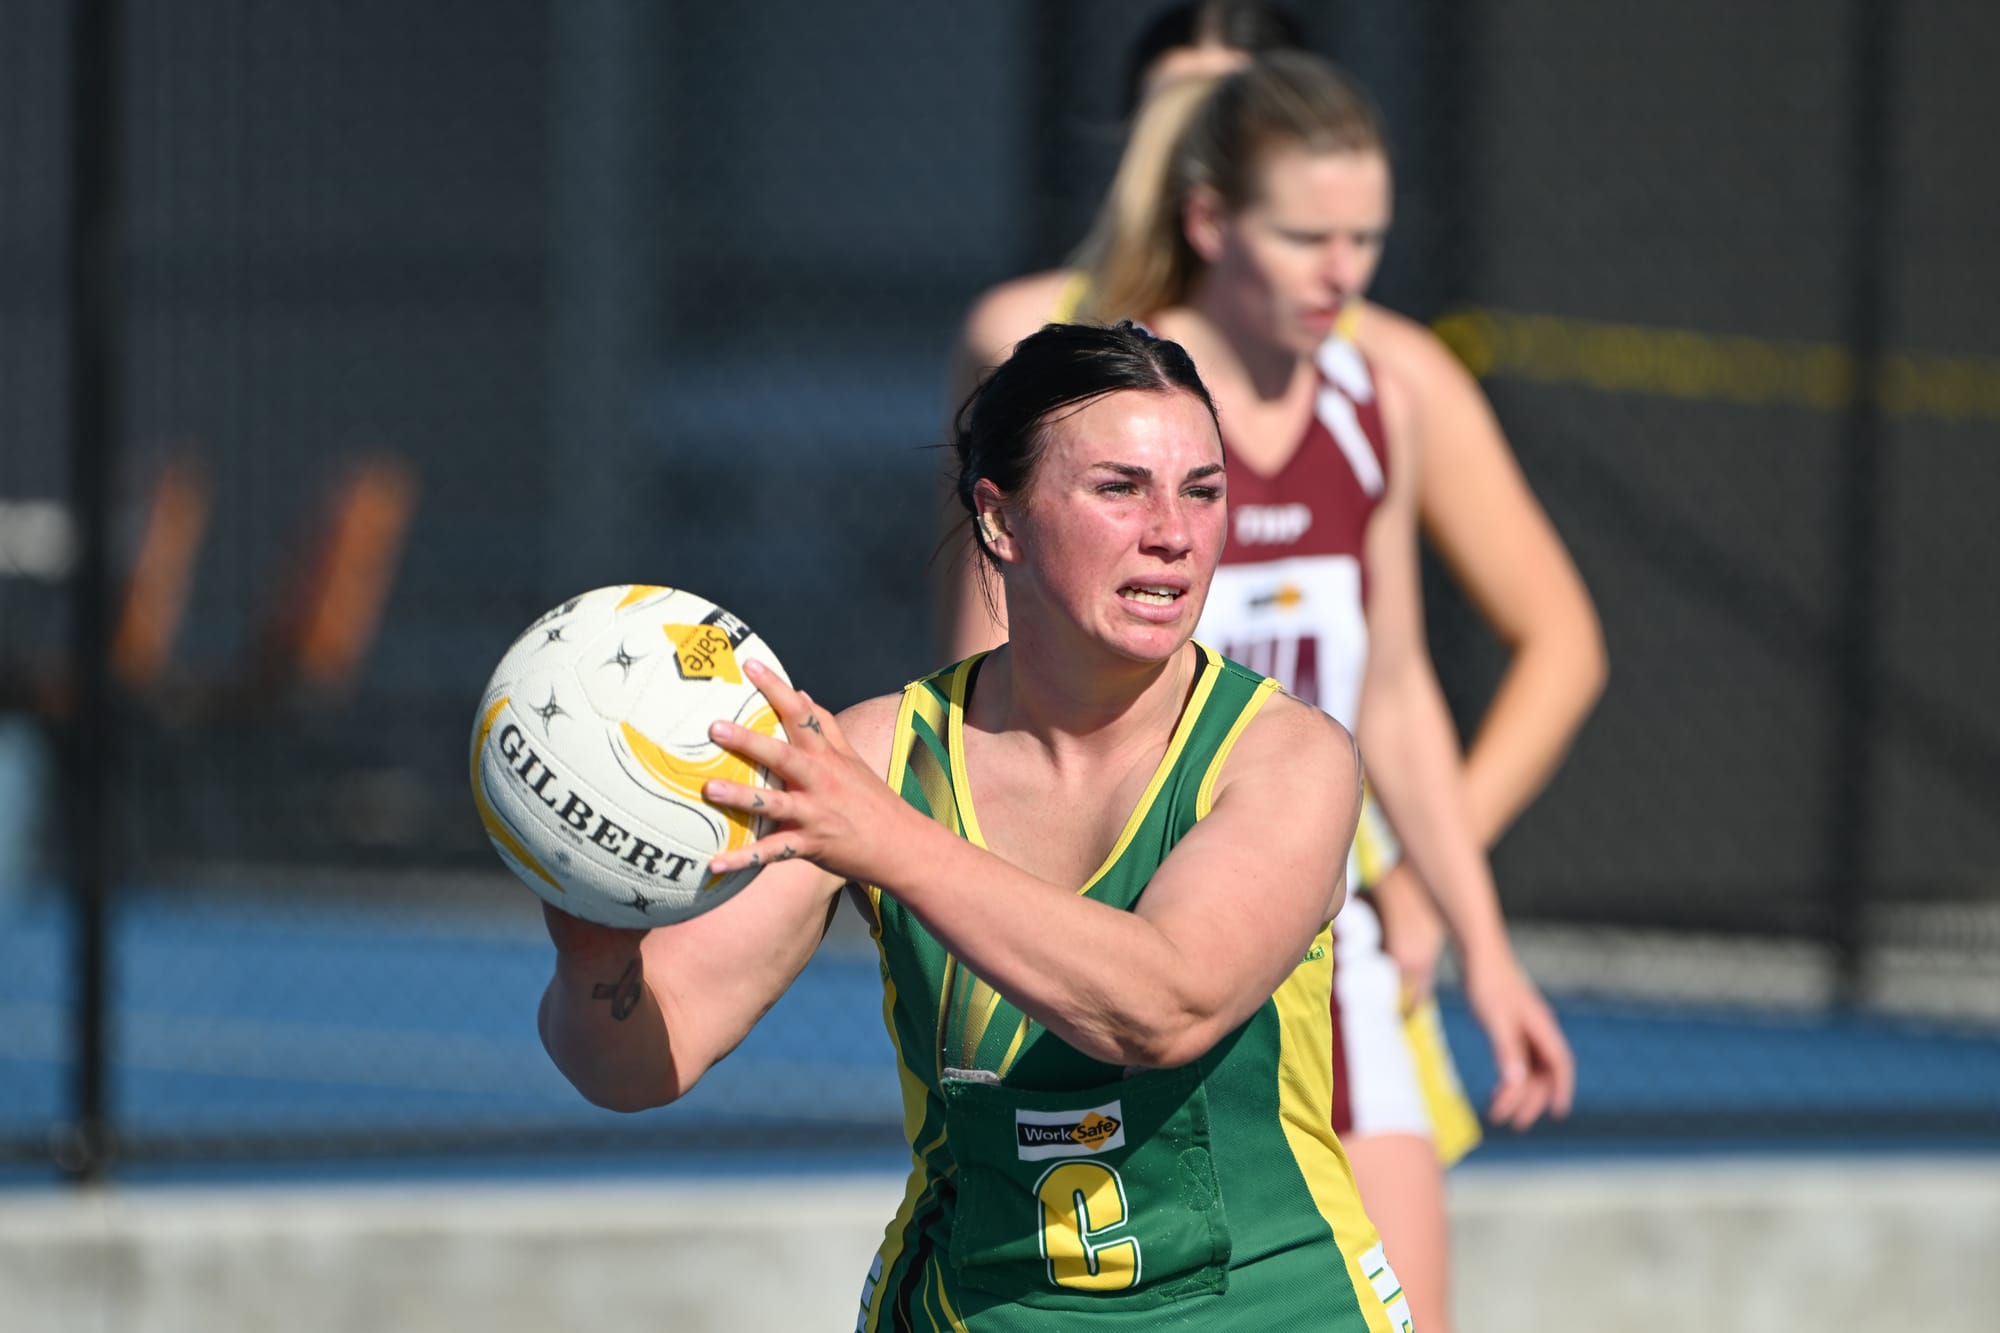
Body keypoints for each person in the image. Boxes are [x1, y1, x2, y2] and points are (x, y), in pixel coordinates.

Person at [541, 321, 1425, 1330]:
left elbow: (1168, 1005)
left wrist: (891, 843)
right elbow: (641, 1061)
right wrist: (593, 955)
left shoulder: (1285, 755)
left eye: (1202, 490)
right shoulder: (879, 757)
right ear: (999, 520)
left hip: (1274, 1311)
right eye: (1120, 488)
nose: (1173, 532)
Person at [942, 49, 1588, 1332]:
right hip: (1134, 924)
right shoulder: (1125, 409)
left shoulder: (1373, 399)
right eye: (1306, 237)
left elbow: (1390, 693)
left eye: (1365, 238)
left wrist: (1478, 937)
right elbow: (993, 683)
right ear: (1208, 223)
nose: (1341, 270)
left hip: (1320, 941)